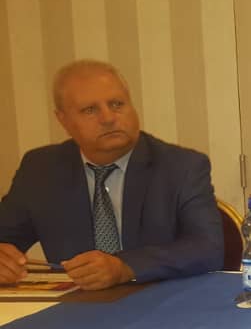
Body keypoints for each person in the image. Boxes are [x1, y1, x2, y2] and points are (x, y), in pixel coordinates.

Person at [0, 60, 223, 290]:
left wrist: (125, 267)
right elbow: (5, 236)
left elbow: (208, 248)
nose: (108, 118)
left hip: (158, 299)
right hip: (74, 305)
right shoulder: (41, 169)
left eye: (117, 104)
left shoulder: (181, 166)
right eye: (90, 110)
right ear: (63, 120)